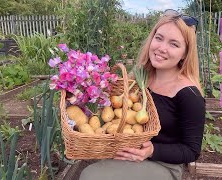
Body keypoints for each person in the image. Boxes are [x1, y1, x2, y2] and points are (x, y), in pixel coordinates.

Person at [79, 9, 206, 180]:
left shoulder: (189, 94)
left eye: (174, 44)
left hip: (163, 164)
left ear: (185, 53)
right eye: (159, 38)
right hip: (128, 152)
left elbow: (191, 150)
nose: (162, 48)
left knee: (91, 176)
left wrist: (152, 150)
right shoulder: (138, 78)